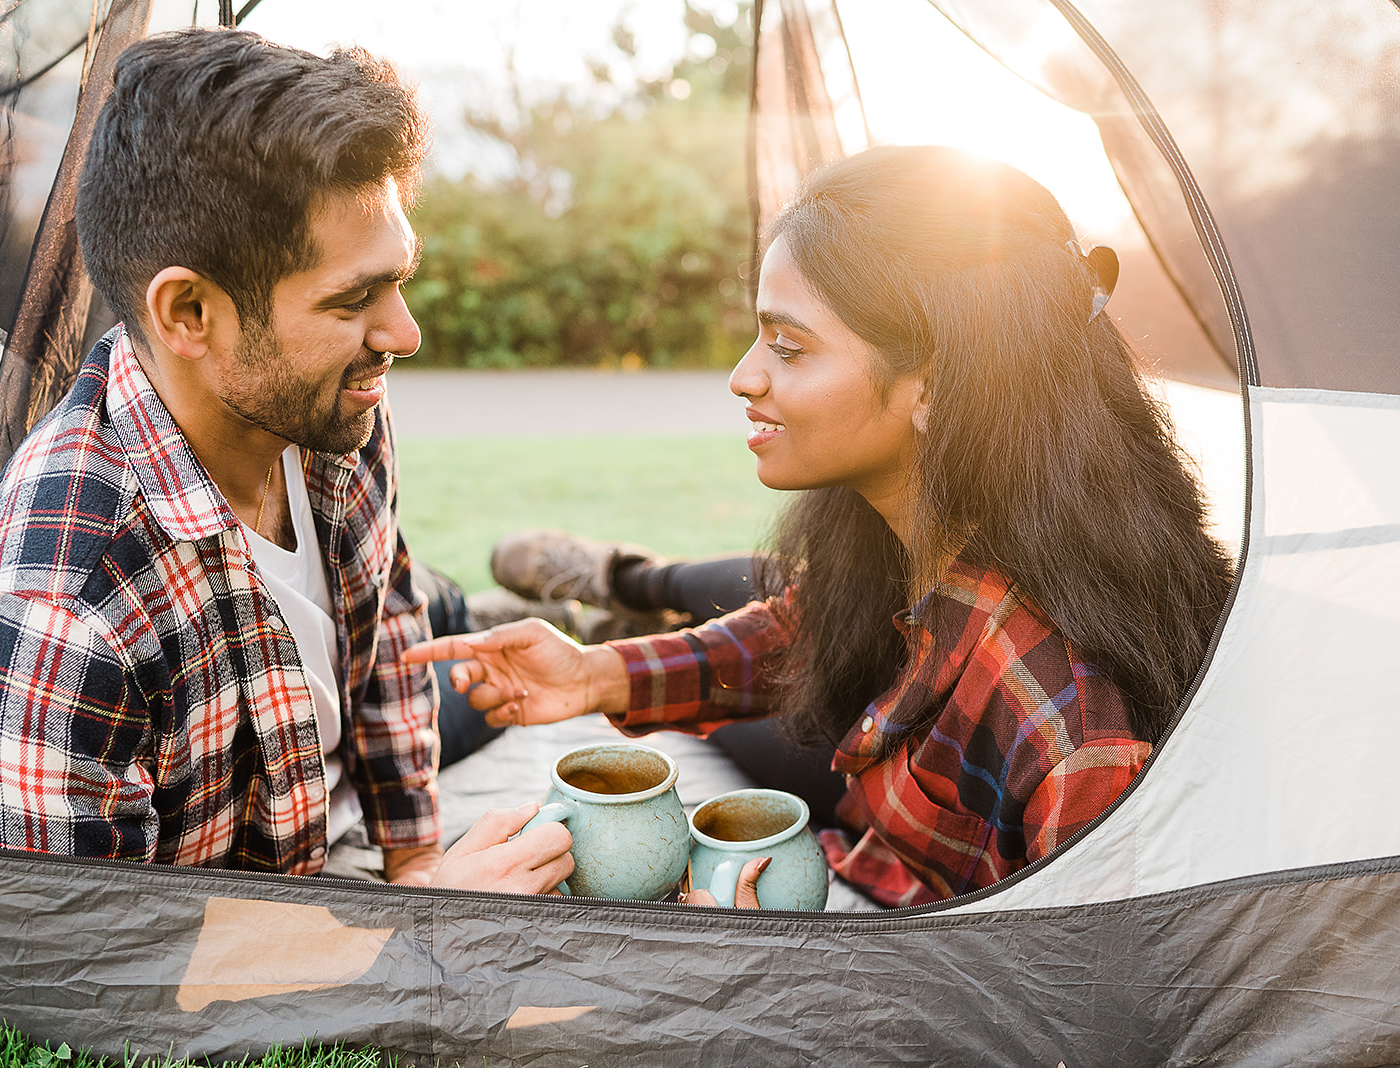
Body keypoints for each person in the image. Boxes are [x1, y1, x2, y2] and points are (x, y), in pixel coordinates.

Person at [406, 145, 1235, 908]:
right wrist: (595, 676)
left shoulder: (1077, 724)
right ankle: (615, 596)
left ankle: (616, 584)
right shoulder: (932, 530)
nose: (743, 375)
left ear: (936, 386)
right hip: (869, 856)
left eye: (789, 347)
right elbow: (816, 629)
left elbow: (1078, 1010)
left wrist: (794, 967)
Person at [0, 28, 572, 895]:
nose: (406, 334)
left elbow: (385, 608)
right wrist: (425, 937)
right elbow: (85, 977)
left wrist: (419, 860)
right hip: (265, 902)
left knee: (459, 648)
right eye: (355, 298)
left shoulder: (329, 408)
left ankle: (555, 604)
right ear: (189, 312)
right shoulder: (60, 609)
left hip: (326, 766)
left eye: (400, 281)